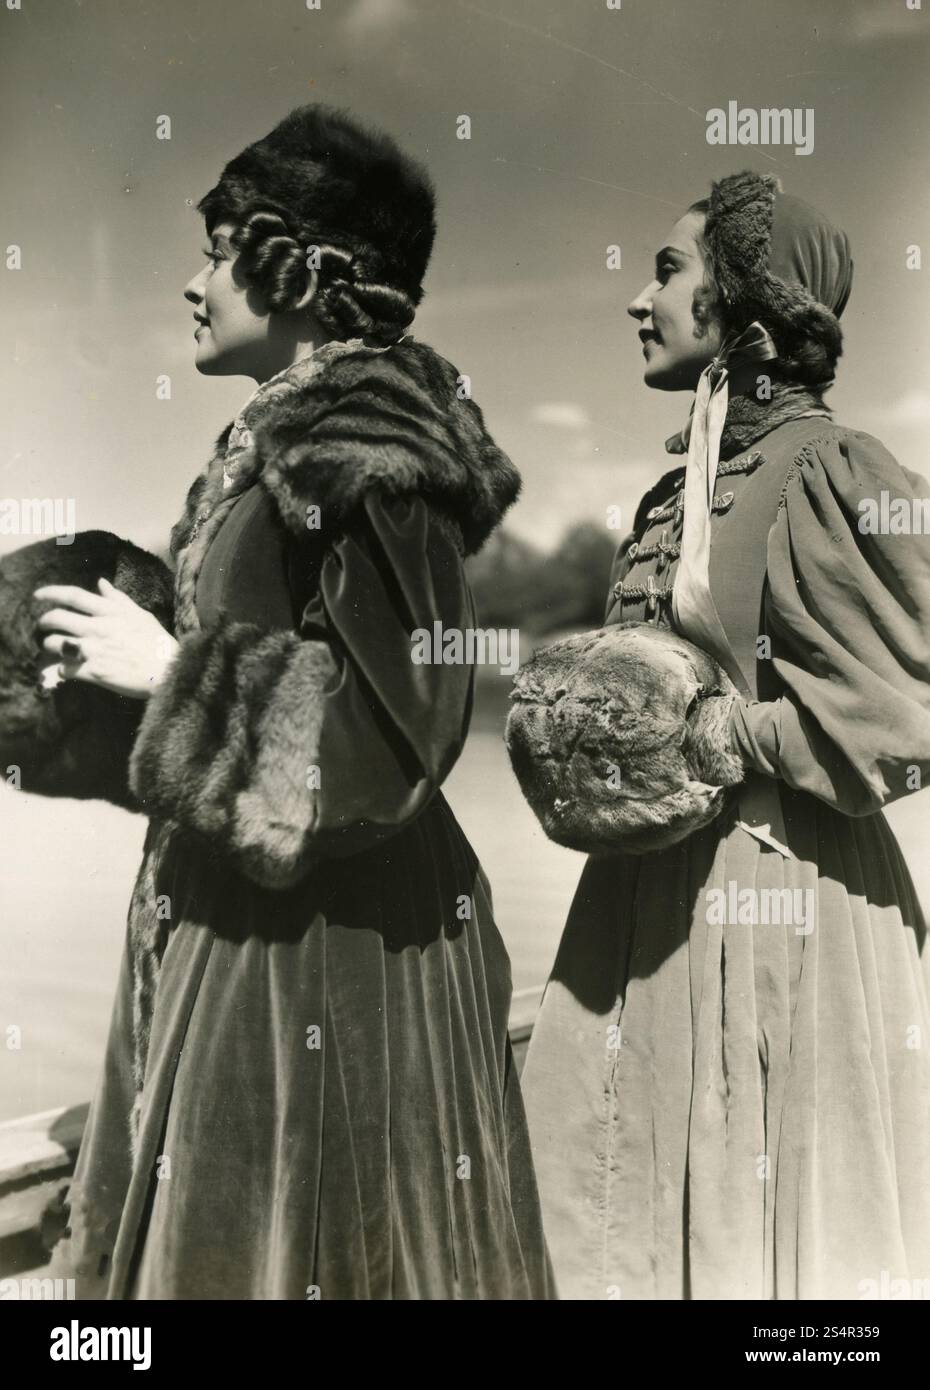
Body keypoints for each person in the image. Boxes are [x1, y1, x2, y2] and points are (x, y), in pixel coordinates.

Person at [39, 104, 553, 1299]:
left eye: (219, 248)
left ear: (304, 270)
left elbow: (402, 728)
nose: (191, 280)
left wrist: (175, 671)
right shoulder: (272, 443)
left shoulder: (363, 448)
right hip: (243, 924)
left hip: (329, 951)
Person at [519, 170, 930, 1300]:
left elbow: (903, 708)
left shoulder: (825, 473)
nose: (637, 299)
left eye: (667, 271)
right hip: (644, 896)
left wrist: (724, 740)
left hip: (783, 895)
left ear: (742, 313)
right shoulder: (670, 497)